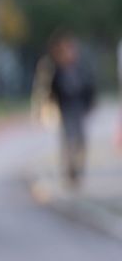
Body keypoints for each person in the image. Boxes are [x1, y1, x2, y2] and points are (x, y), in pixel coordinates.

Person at [41, 33, 96, 188]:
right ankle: (69, 170)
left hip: (79, 108)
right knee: (68, 140)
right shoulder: (57, 71)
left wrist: (90, 104)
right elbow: (52, 91)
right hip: (65, 109)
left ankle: (77, 169)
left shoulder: (81, 69)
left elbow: (89, 87)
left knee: (81, 140)